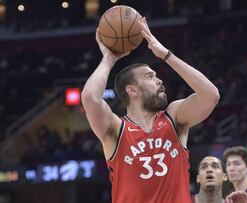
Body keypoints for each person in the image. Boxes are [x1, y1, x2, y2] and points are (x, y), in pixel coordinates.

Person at [81, 17, 220, 203]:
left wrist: (165, 55)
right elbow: (90, 98)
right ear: (132, 90)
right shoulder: (116, 129)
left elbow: (211, 95)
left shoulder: (174, 118)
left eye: (157, 76)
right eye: (150, 77)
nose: (159, 80)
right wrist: (108, 59)